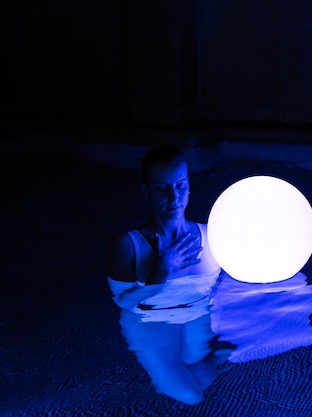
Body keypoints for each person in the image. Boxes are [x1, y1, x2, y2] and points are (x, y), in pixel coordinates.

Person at [106, 146, 224, 405]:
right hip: (148, 323)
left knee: (198, 381)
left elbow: (229, 286)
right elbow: (124, 303)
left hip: (197, 318)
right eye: (162, 188)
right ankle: (215, 362)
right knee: (190, 394)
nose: (174, 197)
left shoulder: (213, 237)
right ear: (146, 191)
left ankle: (214, 361)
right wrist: (162, 270)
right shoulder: (127, 246)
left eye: (181, 185)